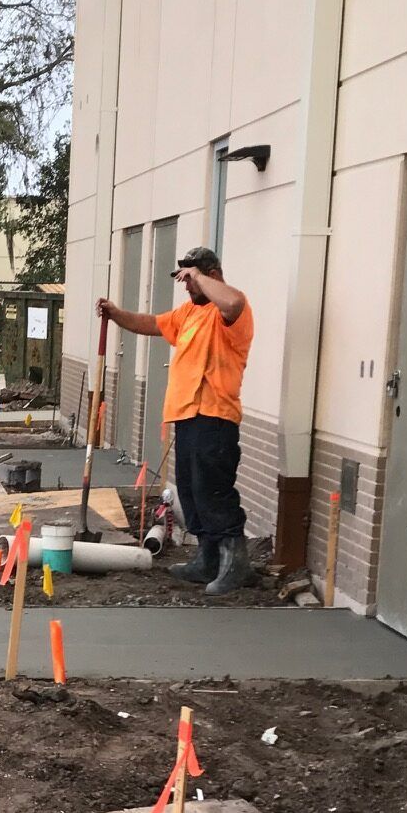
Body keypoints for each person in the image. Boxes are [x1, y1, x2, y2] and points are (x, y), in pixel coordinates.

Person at [98, 246, 255, 595]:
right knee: (192, 491)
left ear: (212, 275)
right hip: (187, 416)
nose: (186, 287)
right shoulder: (188, 313)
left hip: (215, 417)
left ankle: (236, 562)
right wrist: (116, 313)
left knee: (213, 490)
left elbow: (231, 304)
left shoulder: (230, 309)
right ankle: (208, 558)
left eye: (191, 279)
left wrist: (199, 276)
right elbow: (151, 323)